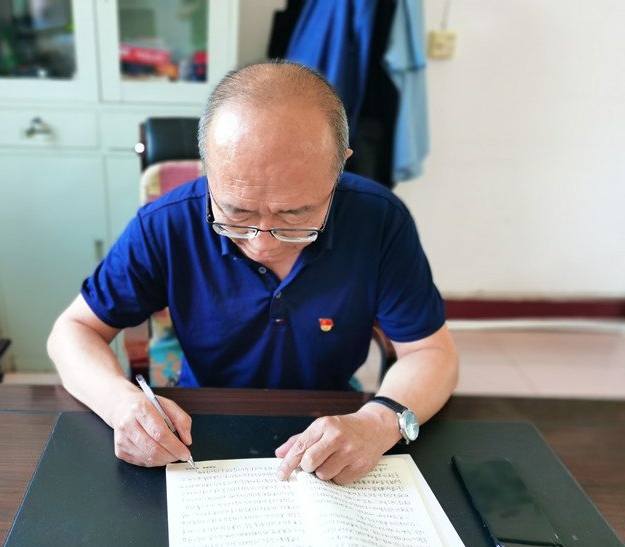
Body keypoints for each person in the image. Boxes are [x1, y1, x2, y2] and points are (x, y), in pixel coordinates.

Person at [47, 60, 458, 485]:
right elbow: (73, 330)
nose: (263, 244)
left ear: (339, 166)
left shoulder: (379, 220)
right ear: (208, 165)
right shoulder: (166, 224)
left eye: (295, 216)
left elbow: (431, 352)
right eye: (236, 214)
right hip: (198, 425)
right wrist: (119, 403)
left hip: (333, 422)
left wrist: (378, 421)